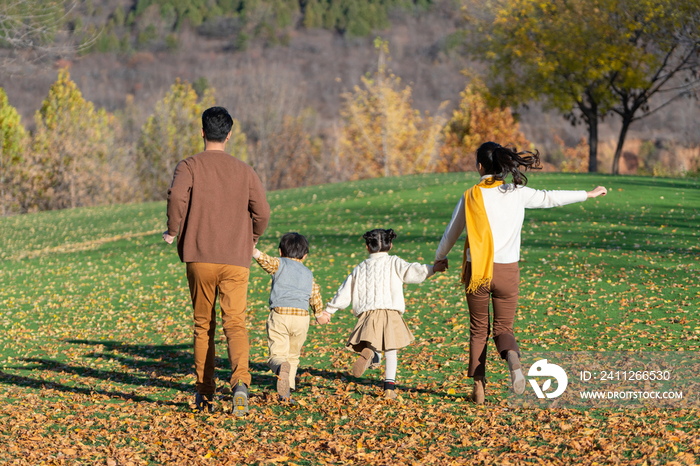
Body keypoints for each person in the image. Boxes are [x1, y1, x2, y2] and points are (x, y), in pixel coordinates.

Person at [434, 141, 607, 404]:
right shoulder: (516, 192)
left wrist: (440, 258)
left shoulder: (471, 195)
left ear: (480, 166)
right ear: (502, 164)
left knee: (478, 330)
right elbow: (550, 197)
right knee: (504, 328)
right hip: (507, 271)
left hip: (478, 271)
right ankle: (513, 361)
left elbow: (451, 233)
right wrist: (588, 193)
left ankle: (479, 389)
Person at [163, 106, 270, 415]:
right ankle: (240, 385)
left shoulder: (189, 166)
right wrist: (253, 238)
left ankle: (205, 394)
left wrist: (173, 230)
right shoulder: (245, 170)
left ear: (202, 132)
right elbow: (262, 212)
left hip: (199, 256)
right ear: (229, 135)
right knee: (235, 323)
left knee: (203, 325)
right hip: (236, 259)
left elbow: (176, 198)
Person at [317, 229, 447, 400]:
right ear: (390, 245)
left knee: (373, 342)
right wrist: (432, 269)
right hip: (390, 312)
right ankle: (389, 389)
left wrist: (329, 311)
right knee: (391, 350)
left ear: (367, 247)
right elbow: (412, 272)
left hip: (367, 314)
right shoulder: (394, 262)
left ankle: (371, 353)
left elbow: (345, 291)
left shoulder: (360, 268)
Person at [252, 232, 324, 402]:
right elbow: (315, 294)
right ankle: (286, 393)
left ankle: (279, 368)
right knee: (293, 356)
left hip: (280, 314)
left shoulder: (279, 263)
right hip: (302, 318)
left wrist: (254, 252)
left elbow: (266, 261)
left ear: (280, 251)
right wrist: (319, 314)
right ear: (305, 255)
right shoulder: (308, 273)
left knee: (277, 354)